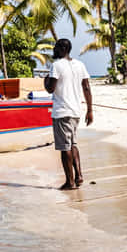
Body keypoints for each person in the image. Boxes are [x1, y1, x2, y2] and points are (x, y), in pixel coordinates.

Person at [43, 39, 93, 190]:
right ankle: (78, 176)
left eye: (56, 48)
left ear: (61, 49)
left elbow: (50, 88)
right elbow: (86, 87)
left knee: (65, 148)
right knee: (73, 144)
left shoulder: (56, 65)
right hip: (76, 112)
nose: (54, 50)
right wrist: (90, 110)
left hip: (62, 112)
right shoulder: (80, 64)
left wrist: (45, 81)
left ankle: (70, 182)